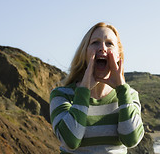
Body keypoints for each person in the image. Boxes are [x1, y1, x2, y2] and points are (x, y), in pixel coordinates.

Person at [49, 22, 144, 154]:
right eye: (95, 42)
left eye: (109, 43)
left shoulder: (129, 95)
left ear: (118, 56)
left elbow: (131, 139)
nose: (102, 48)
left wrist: (122, 89)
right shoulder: (61, 95)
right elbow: (70, 140)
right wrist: (83, 91)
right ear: (85, 52)